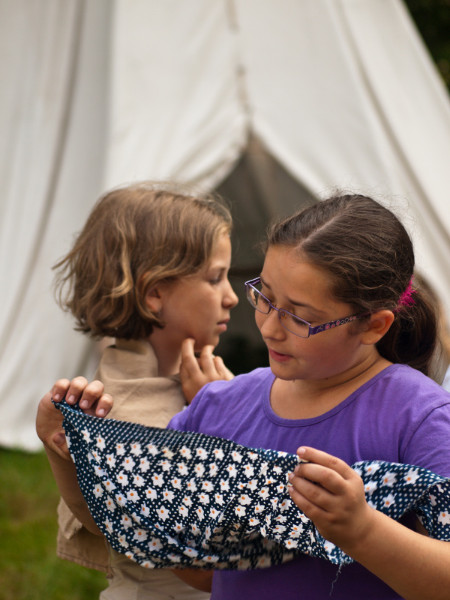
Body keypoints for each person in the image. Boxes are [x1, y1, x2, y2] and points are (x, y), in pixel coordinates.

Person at [42, 192, 450, 600]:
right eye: (265, 297)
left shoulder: (420, 417)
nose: (269, 328)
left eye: (299, 316)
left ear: (374, 326)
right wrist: (71, 448)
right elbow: (196, 568)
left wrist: (362, 531)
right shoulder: (217, 407)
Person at [37, 181, 238, 600]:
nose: (232, 297)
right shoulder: (119, 407)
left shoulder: (204, 379)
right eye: (216, 278)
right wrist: (221, 417)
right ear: (154, 294)